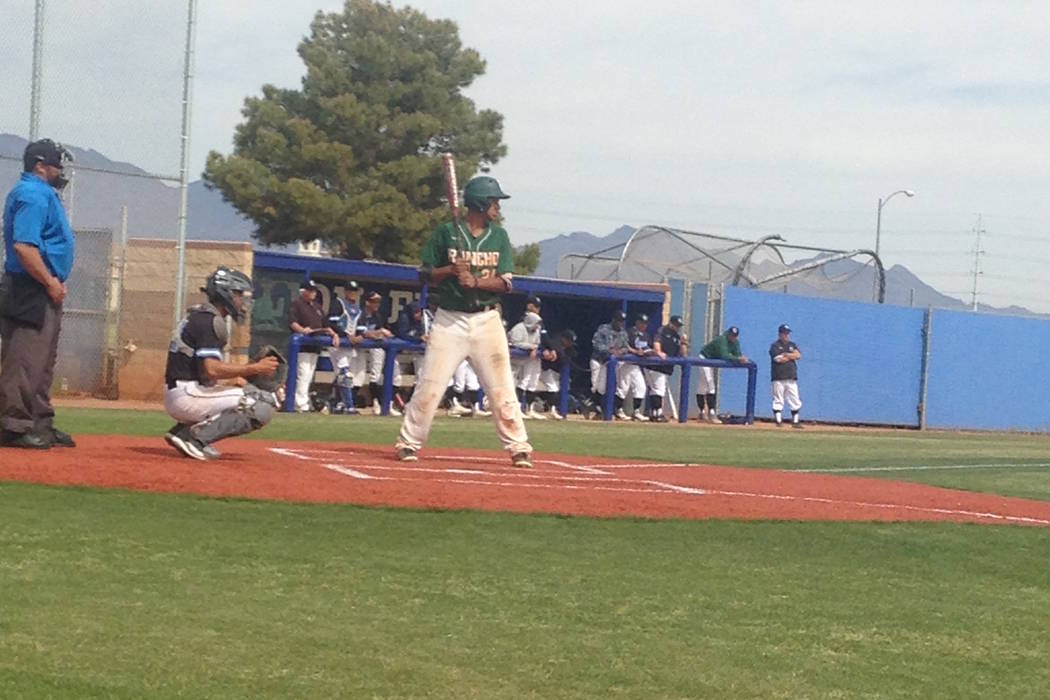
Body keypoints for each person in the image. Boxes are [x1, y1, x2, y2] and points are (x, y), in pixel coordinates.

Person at [394, 174, 533, 467]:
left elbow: (507, 283)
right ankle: (409, 442)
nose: (497, 207)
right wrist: (449, 271)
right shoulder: (445, 233)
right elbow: (424, 274)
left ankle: (519, 447)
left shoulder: (499, 236)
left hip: (487, 320)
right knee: (431, 384)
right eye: (494, 201)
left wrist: (477, 282)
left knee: (501, 387)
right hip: (449, 320)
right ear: (480, 203)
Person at [0, 139, 76, 449]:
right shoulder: (32, 194)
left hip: (41, 286)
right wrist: (49, 281)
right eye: (57, 165)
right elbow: (24, 246)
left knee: (43, 360)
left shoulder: (44, 194)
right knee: (24, 358)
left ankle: (39, 422)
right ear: (40, 166)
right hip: (28, 287)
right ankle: (14, 426)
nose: (61, 171)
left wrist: (54, 280)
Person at [163, 267, 280, 460]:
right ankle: (196, 439)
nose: (242, 301)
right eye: (239, 295)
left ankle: (183, 432)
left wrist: (242, 376)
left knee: (248, 392)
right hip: (187, 395)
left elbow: (204, 370)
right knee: (262, 404)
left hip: (184, 391)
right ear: (225, 292)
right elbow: (211, 369)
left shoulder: (201, 315)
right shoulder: (209, 321)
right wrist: (254, 368)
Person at [288, 280, 335, 412]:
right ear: (303, 291)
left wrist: (332, 332)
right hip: (302, 346)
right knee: (302, 374)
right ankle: (299, 404)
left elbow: (326, 324)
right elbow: (292, 322)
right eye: (310, 290)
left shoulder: (317, 307)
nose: (313, 293)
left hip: (315, 345)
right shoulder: (297, 304)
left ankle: (303, 402)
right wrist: (302, 330)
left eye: (314, 290)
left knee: (308, 375)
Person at [696, 325, 749, 424]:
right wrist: (737, 359)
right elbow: (724, 355)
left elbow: (737, 354)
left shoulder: (736, 342)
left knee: (702, 387)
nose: (733, 337)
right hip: (704, 358)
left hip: (710, 361)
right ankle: (711, 413)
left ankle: (702, 413)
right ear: (728, 334)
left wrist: (740, 358)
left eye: (735, 336)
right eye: (732, 335)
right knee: (710, 385)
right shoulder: (722, 339)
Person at [325, 280, 363, 414]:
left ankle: (333, 402)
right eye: (350, 290)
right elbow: (331, 322)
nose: (352, 293)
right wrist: (345, 335)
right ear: (345, 291)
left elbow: (361, 327)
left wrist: (360, 336)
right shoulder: (339, 303)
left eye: (355, 291)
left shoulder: (358, 308)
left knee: (340, 375)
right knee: (345, 374)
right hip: (338, 343)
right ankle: (349, 406)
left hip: (349, 346)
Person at [356, 290, 395, 415]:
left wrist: (382, 333)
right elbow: (361, 332)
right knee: (357, 377)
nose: (377, 304)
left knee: (378, 375)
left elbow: (387, 333)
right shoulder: (360, 314)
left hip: (374, 348)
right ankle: (344, 402)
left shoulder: (378, 316)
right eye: (374, 301)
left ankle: (380, 403)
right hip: (357, 348)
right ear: (367, 302)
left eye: (378, 302)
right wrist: (378, 333)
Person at [646, 315, 688, 423]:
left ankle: (654, 413)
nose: (677, 327)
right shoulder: (663, 330)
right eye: (676, 325)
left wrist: (684, 342)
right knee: (658, 389)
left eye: (679, 325)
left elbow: (683, 354)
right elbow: (657, 342)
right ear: (671, 323)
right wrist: (658, 351)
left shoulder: (677, 336)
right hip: (655, 365)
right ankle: (657, 413)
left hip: (665, 367)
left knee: (657, 389)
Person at [588, 309, 629, 419]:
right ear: (614, 320)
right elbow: (596, 344)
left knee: (602, 387)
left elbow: (626, 347)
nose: (620, 323)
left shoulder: (623, 332)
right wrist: (609, 350)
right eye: (619, 320)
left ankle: (597, 408)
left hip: (609, 363)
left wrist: (620, 352)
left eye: (622, 321)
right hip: (598, 360)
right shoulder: (604, 329)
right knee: (595, 385)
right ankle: (591, 407)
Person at [617, 314, 656, 420]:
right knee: (623, 388)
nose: (644, 325)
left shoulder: (646, 335)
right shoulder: (629, 332)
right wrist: (635, 351)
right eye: (642, 323)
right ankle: (618, 411)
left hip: (635, 365)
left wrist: (649, 352)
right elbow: (624, 344)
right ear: (637, 322)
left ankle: (636, 412)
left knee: (641, 387)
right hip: (625, 363)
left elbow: (646, 348)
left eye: (645, 323)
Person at [508, 309, 545, 419]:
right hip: (512, 360)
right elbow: (515, 343)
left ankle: (524, 409)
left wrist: (534, 348)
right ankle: (514, 409)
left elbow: (537, 343)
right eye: (536, 324)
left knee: (526, 381)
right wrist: (531, 347)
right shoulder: (518, 328)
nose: (537, 327)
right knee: (510, 383)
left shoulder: (536, 331)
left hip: (524, 360)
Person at [769, 323, 803, 428]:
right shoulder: (775, 345)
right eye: (785, 333)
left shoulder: (792, 345)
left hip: (791, 376)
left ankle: (795, 421)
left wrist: (787, 355)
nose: (787, 335)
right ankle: (778, 421)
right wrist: (791, 356)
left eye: (788, 333)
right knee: (778, 399)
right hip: (778, 377)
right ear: (780, 334)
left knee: (794, 398)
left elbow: (798, 355)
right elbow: (778, 359)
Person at [538, 329, 577, 420]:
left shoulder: (565, 347)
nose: (570, 344)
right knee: (527, 385)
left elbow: (571, 355)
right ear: (564, 338)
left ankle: (552, 410)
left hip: (545, 370)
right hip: (537, 366)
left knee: (553, 388)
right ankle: (526, 409)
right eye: (569, 341)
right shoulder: (554, 342)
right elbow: (562, 357)